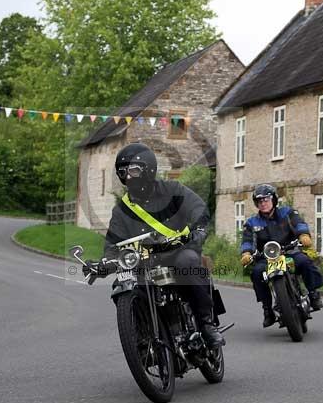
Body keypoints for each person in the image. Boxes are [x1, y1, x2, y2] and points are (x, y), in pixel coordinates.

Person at [85, 142, 224, 347]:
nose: (128, 176)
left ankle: (206, 324)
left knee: (188, 263)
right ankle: (143, 334)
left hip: (178, 251)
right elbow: (113, 244)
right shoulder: (122, 210)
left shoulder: (172, 190)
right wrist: (105, 262)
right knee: (122, 285)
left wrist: (199, 231)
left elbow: (198, 208)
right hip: (144, 263)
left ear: (148, 169)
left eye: (133, 170)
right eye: (123, 172)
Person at [239, 184, 323, 328]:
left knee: (304, 261)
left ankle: (313, 293)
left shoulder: (287, 212)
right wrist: (246, 253)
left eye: (266, 200)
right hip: (267, 258)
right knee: (257, 273)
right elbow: (247, 240)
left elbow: (299, 223)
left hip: (289, 252)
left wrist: (303, 235)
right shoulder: (252, 223)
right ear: (256, 204)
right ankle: (267, 310)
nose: (263, 203)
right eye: (260, 201)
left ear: (273, 200)